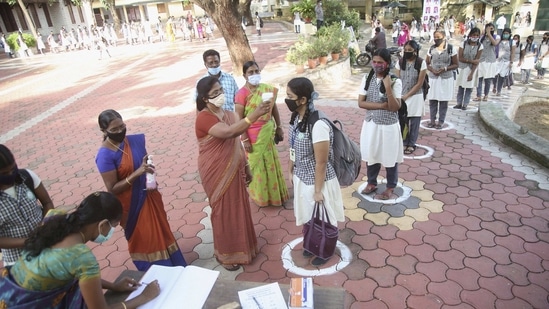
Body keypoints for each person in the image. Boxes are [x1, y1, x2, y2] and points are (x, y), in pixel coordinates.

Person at [0, 191, 161, 308]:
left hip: (10, 294)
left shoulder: (54, 217)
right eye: (113, 226)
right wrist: (143, 297)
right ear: (103, 224)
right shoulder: (82, 258)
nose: (110, 231)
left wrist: (114, 286)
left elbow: (70, 273)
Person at [195, 76, 271, 270]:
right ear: (205, 98)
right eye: (214, 93)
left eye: (220, 90)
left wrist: (245, 166)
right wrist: (253, 115)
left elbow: (235, 143)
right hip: (216, 170)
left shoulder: (228, 113)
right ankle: (226, 255)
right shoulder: (204, 117)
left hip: (234, 166)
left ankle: (245, 248)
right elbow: (228, 133)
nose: (220, 95)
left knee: (238, 207)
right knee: (223, 211)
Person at [95, 109, 187, 271]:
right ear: (104, 131)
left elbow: (143, 163)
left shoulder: (133, 142)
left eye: (122, 126)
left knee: (161, 230)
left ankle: (174, 264)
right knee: (146, 238)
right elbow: (112, 188)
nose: (120, 131)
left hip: (149, 196)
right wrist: (137, 173)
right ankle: (156, 270)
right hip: (132, 207)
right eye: (114, 130)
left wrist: (148, 172)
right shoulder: (105, 156)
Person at [285, 77, 344, 265]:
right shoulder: (296, 118)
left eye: (290, 96)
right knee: (309, 217)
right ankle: (312, 244)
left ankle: (325, 250)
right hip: (303, 177)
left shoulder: (318, 124)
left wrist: (318, 191)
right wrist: (291, 169)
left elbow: (322, 161)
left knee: (323, 218)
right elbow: (293, 146)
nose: (287, 100)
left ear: (302, 100)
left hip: (320, 182)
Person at [235, 61, 289, 207]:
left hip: (267, 131)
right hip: (252, 134)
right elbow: (238, 118)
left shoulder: (267, 89)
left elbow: (274, 108)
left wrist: (279, 126)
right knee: (256, 165)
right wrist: (244, 139)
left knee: (270, 162)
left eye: (256, 71)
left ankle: (274, 194)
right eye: (250, 72)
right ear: (244, 75)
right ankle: (261, 197)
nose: (254, 75)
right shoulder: (241, 94)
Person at [358, 48, 403, 199]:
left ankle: (390, 186)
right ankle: (372, 182)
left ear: (387, 63)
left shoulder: (395, 81)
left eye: (380, 62)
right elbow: (361, 103)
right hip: (371, 123)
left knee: (390, 156)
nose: (376, 65)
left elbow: (395, 107)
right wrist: (381, 106)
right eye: (374, 61)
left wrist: (388, 87)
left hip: (388, 125)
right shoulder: (367, 78)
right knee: (372, 154)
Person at [0, 144, 54, 266]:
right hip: (19, 261)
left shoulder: (27, 177)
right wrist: (27, 242)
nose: (10, 174)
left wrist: (44, 225)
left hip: (47, 247)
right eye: (4, 173)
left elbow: (47, 203)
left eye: (13, 169)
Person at [395, 40, 427, 155]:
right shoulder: (400, 62)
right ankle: (405, 142)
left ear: (415, 51)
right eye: (405, 50)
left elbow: (419, 83)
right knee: (403, 121)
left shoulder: (421, 63)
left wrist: (407, 95)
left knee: (414, 122)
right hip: (402, 96)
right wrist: (400, 96)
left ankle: (412, 143)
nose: (407, 52)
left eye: (410, 50)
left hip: (416, 96)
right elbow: (397, 80)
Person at [426, 30, 458, 129]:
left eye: (438, 37)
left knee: (443, 101)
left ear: (443, 37)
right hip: (433, 78)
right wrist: (432, 69)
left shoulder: (450, 48)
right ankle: (432, 120)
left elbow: (456, 64)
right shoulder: (431, 49)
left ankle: (441, 121)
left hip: (446, 78)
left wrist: (444, 69)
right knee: (433, 99)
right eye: (434, 37)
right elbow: (427, 63)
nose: (436, 39)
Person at [454, 27, 483, 110]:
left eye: (477, 35)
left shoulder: (480, 46)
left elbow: (477, 61)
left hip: (472, 69)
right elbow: (460, 58)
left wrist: (472, 73)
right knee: (461, 86)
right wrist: (471, 61)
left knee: (469, 88)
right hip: (462, 68)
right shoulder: (463, 44)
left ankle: (465, 104)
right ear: (470, 35)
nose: (475, 37)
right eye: (474, 35)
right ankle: (459, 103)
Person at [473, 23, 499, 102]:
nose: (489, 30)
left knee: (488, 80)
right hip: (481, 60)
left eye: (491, 29)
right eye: (488, 28)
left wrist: (489, 33)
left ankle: (486, 95)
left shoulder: (496, 37)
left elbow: (495, 43)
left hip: (490, 61)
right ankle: (478, 95)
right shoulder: (482, 38)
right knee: (479, 79)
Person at [494, 28, 515, 95]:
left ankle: (499, 90)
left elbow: (512, 52)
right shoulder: (499, 40)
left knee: (502, 76)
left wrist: (511, 62)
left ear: (509, 34)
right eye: (504, 33)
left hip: (506, 61)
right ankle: (494, 86)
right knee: (495, 74)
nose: (505, 35)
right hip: (498, 60)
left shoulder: (512, 42)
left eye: (507, 34)